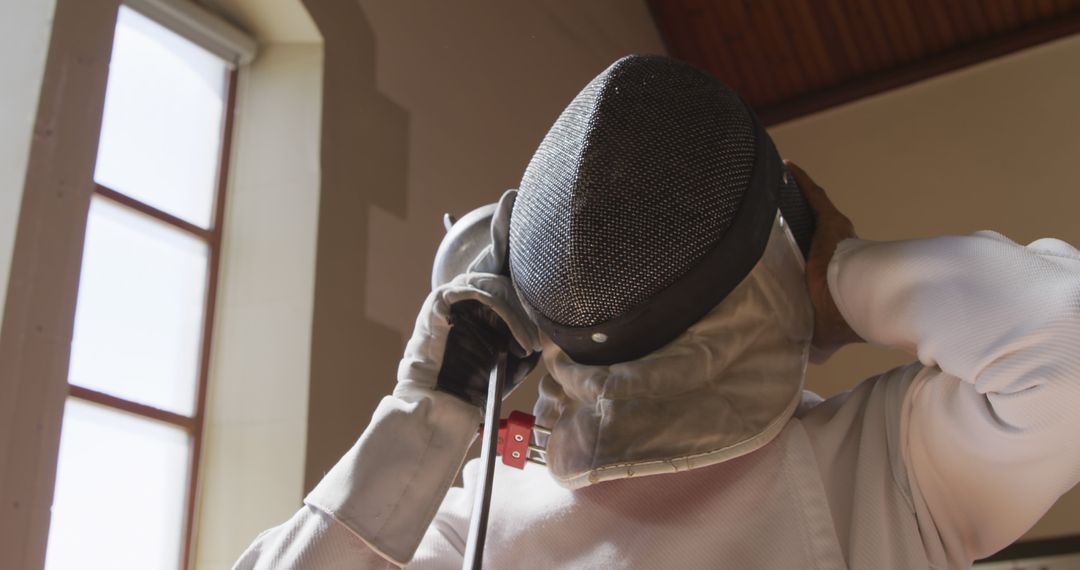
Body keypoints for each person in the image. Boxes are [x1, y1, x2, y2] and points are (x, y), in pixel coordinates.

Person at [235, 56, 1080, 569]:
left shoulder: (880, 470)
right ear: (778, 236)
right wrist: (841, 276)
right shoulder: (491, 507)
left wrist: (430, 408)